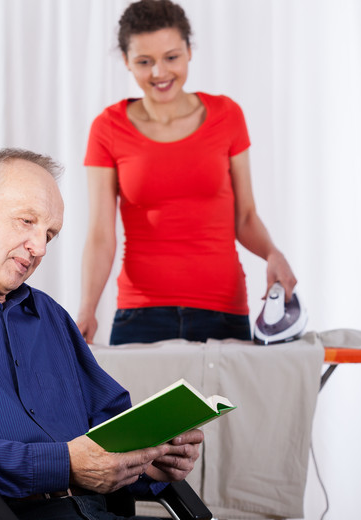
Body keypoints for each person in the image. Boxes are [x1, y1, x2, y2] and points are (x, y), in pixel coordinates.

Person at [0, 148, 253, 520]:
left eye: (51, 234)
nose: (39, 248)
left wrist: (148, 464)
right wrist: (62, 464)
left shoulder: (50, 317)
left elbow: (108, 430)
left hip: (99, 519)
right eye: (27, 222)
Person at [78, 0, 297, 346]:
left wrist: (273, 253)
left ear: (189, 51)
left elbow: (246, 216)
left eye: (171, 57)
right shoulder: (107, 128)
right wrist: (87, 308)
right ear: (126, 61)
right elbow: (101, 235)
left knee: (224, 405)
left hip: (223, 313)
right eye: (144, 62)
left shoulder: (228, 115)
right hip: (140, 316)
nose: (159, 73)